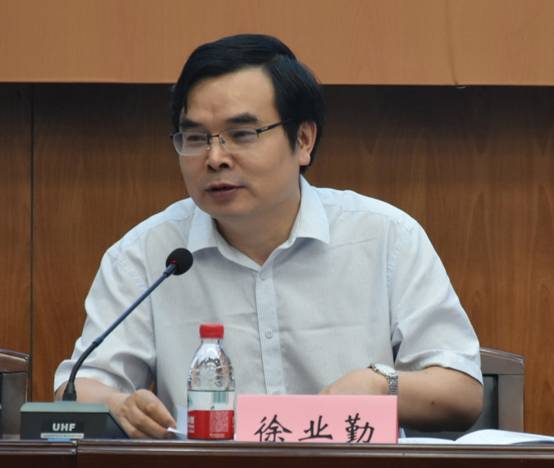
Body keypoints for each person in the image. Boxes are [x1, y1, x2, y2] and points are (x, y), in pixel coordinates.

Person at [54, 34, 483, 439]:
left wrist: (379, 384)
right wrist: (117, 403)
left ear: (303, 140)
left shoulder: (385, 237)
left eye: (242, 134)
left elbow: (462, 390)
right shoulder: (148, 254)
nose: (215, 158)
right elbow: (76, 387)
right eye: (196, 138)